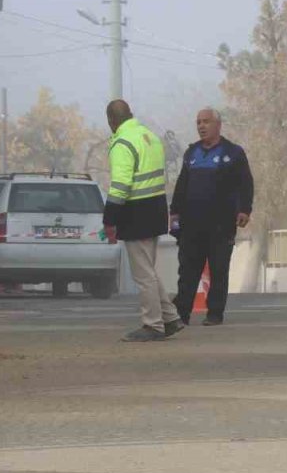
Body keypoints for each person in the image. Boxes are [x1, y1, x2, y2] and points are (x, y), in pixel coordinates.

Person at [103, 100, 184, 342]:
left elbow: (120, 186)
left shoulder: (122, 143)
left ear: (111, 121)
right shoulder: (149, 136)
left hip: (135, 212)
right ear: (131, 114)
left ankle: (153, 325)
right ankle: (170, 318)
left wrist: (110, 220)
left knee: (143, 274)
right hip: (156, 207)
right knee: (149, 269)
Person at [170, 108, 254, 326]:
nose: (201, 126)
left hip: (221, 223)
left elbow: (246, 183)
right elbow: (181, 186)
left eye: (206, 122)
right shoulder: (191, 154)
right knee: (187, 271)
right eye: (198, 122)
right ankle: (182, 313)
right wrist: (174, 214)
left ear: (218, 125)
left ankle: (215, 313)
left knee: (218, 269)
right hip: (192, 224)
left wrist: (245, 209)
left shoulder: (233, 153)